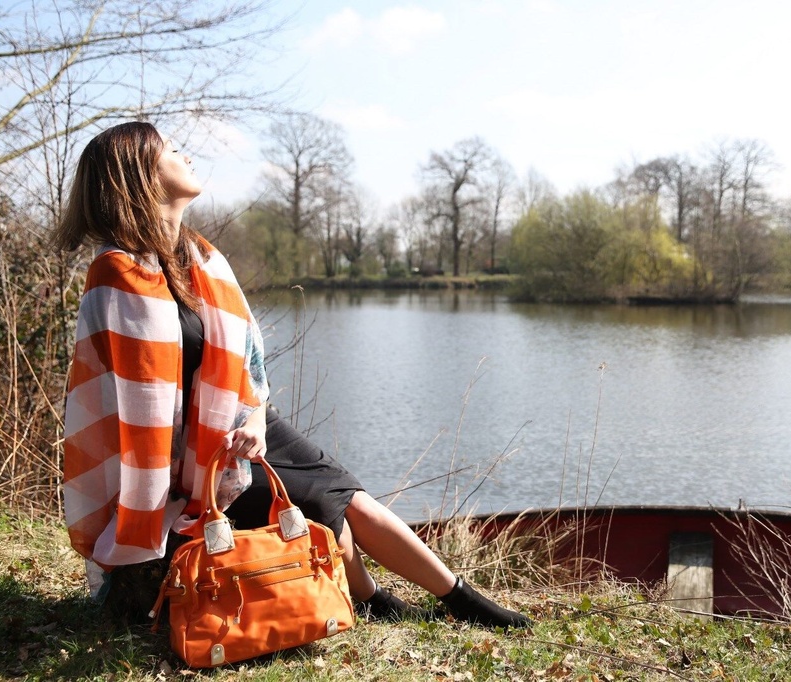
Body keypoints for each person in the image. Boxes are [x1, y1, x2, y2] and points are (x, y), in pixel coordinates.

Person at [55, 121, 530, 630]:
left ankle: (457, 599)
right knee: (320, 510)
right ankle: (371, 597)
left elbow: (247, 364)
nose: (185, 154)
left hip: (240, 422)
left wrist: (255, 418)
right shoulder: (116, 277)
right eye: (171, 150)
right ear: (142, 176)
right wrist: (203, 458)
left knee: (344, 493)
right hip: (178, 460)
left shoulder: (198, 259)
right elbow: (134, 413)